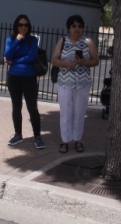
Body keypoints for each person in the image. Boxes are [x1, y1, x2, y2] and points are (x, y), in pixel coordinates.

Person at [51, 15, 99, 154]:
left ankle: (77, 139)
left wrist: (84, 62)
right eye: (74, 26)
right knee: (66, 112)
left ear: (83, 28)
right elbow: (54, 59)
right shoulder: (62, 41)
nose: (77, 28)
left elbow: (96, 60)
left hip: (82, 83)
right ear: (69, 28)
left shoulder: (88, 41)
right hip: (65, 83)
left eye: (79, 26)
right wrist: (66, 63)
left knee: (79, 112)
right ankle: (65, 140)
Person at [4, 14, 45, 149]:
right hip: (14, 77)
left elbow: (31, 56)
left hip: (29, 78)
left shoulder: (32, 40)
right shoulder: (11, 39)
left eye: (26, 25)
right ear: (16, 26)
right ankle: (18, 134)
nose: (23, 27)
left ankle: (37, 136)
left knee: (32, 108)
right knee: (16, 107)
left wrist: (14, 61)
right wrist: (17, 41)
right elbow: (7, 55)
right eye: (21, 25)